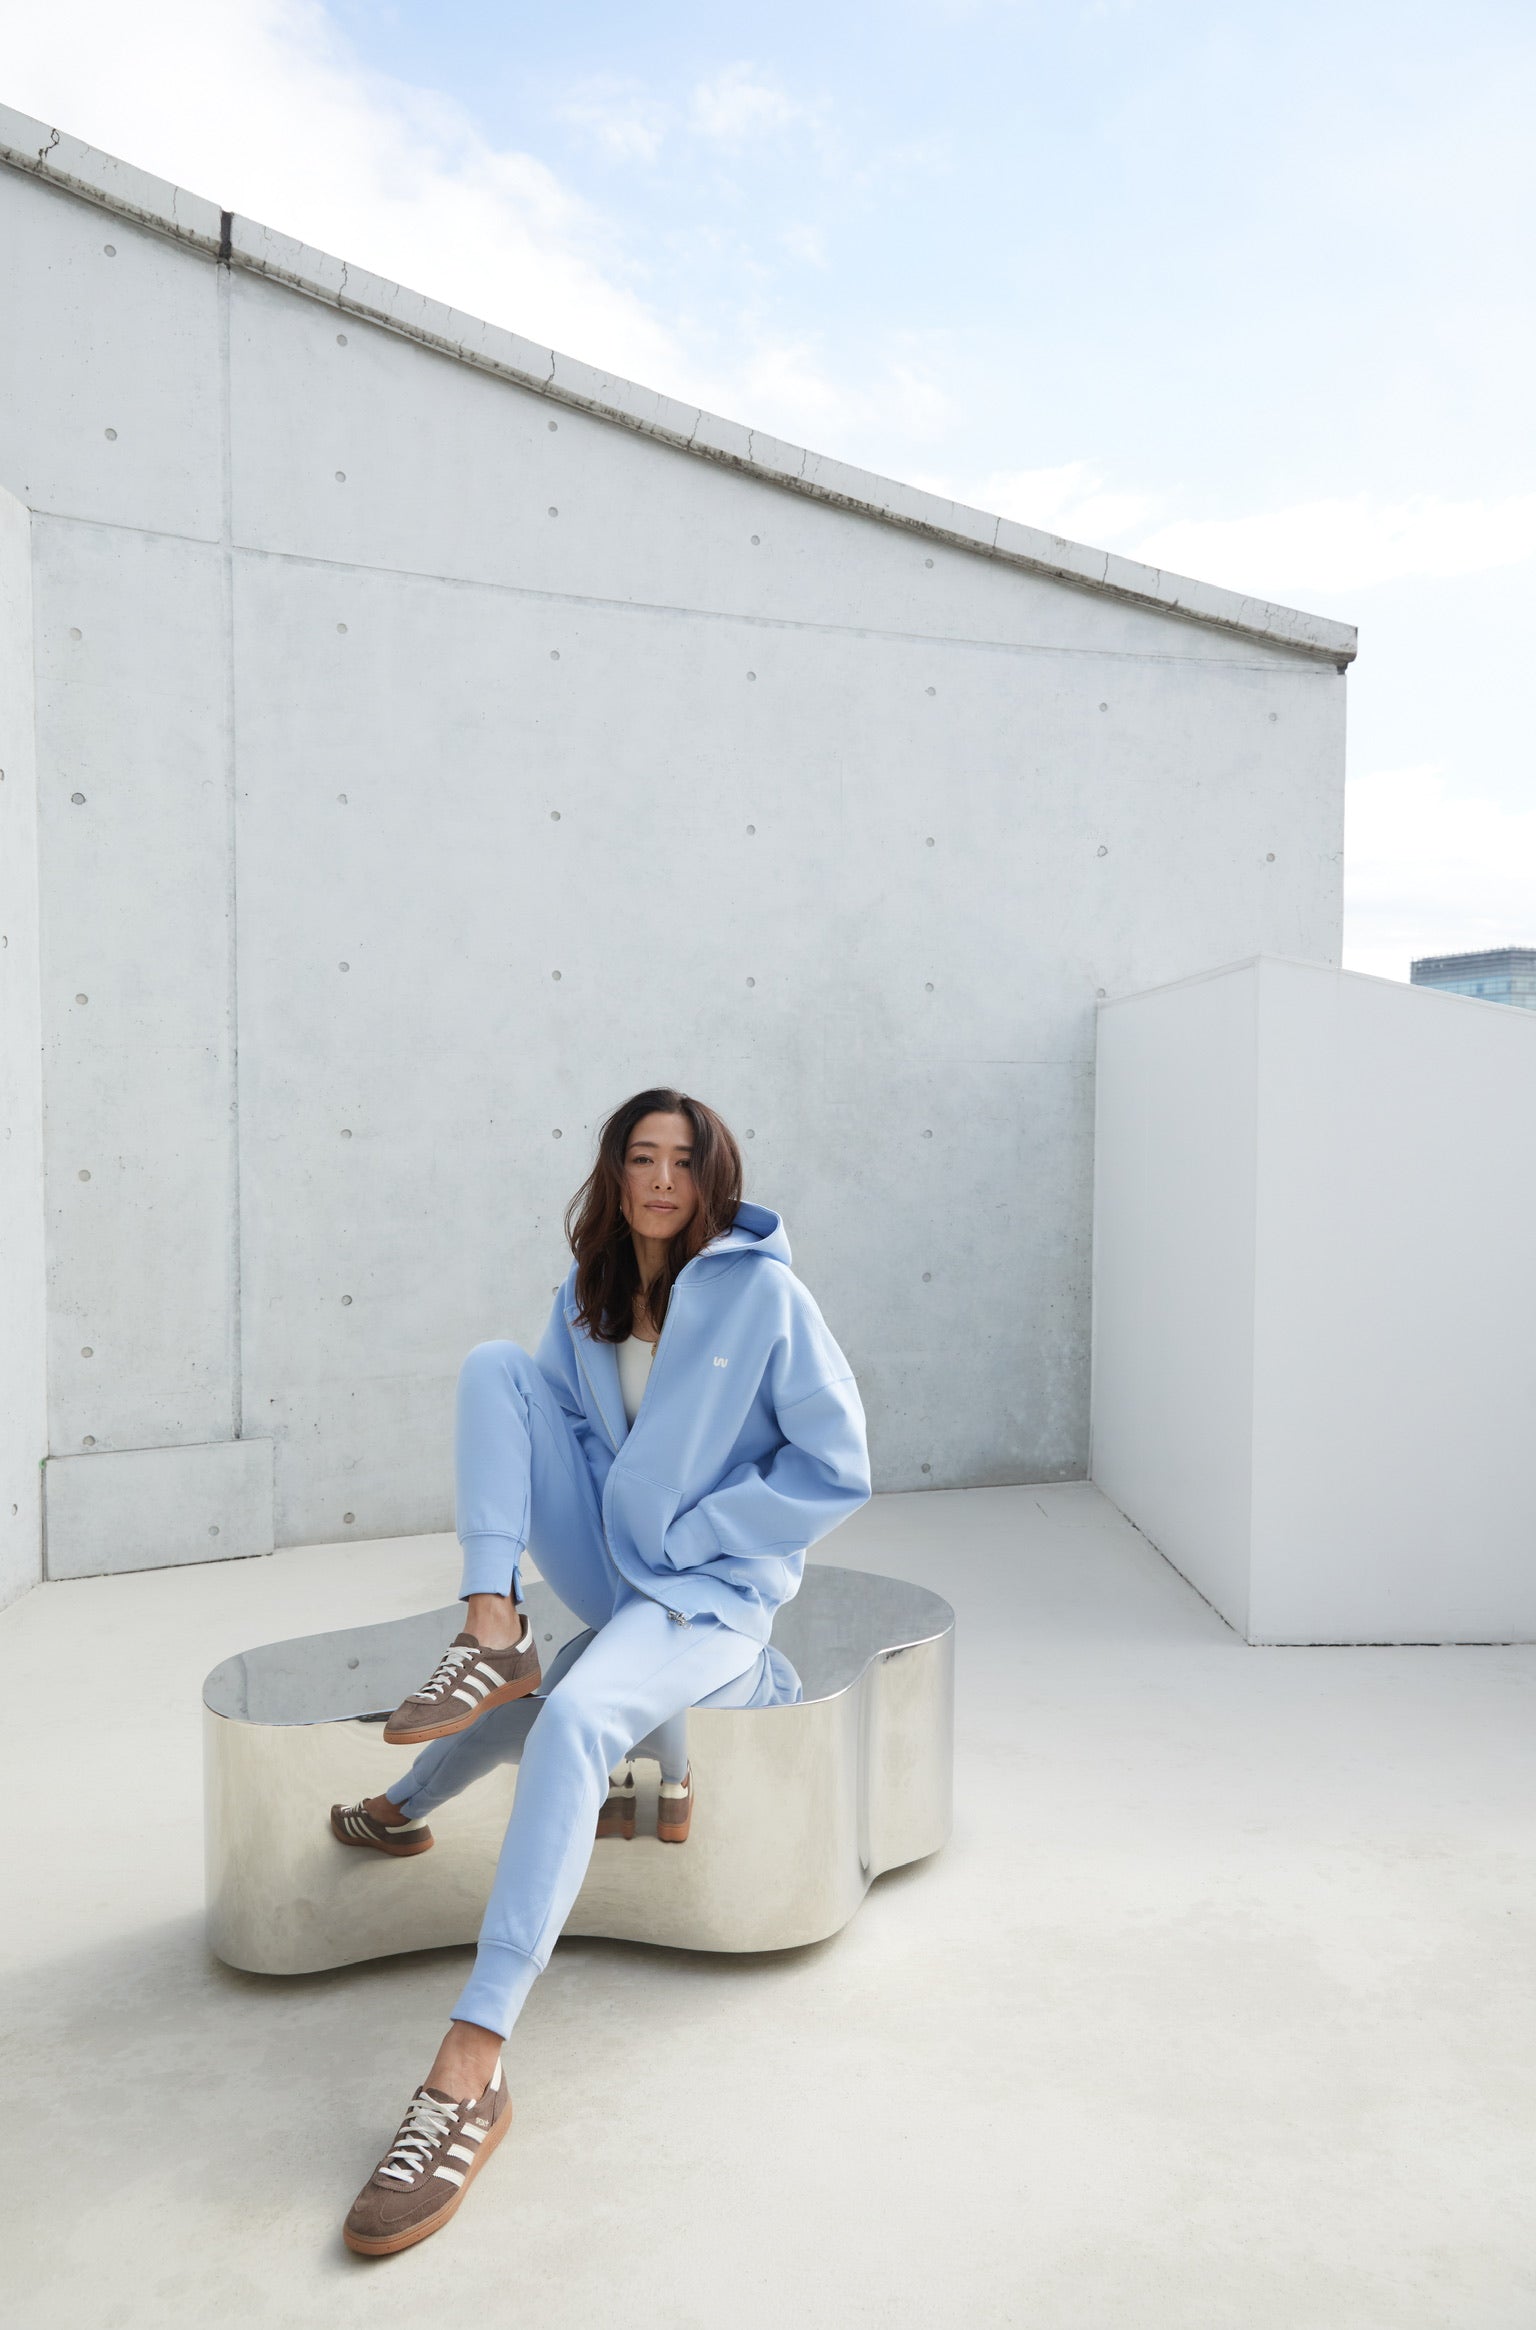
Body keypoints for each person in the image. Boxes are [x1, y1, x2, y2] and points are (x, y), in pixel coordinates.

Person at [334, 1086, 871, 2256]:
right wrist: (575, 1543)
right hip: (614, 1567)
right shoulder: (586, 1294)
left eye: (683, 1159)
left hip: (708, 1588)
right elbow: (564, 1439)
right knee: (494, 1367)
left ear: (713, 1176)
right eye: (642, 1157)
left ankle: (472, 2059)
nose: (662, 1178)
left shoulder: (765, 1293)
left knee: (573, 1713)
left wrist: (704, 1528)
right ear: (615, 1175)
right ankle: (491, 1624)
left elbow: (838, 1463)